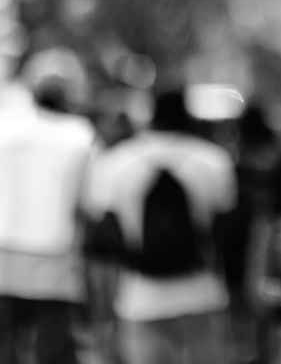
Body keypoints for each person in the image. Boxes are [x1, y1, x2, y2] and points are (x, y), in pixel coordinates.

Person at [84, 87, 236, 364]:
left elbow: (103, 240)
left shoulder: (116, 162)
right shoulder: (214, 161)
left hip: (139, 299)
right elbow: (226, 232)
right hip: (203, 294)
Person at [0, 48, 97, 364]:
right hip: (55, 255)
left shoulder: (6, 128)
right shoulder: (81, 135)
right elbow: (91, 202)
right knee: (51, 346)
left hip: (5, 249)